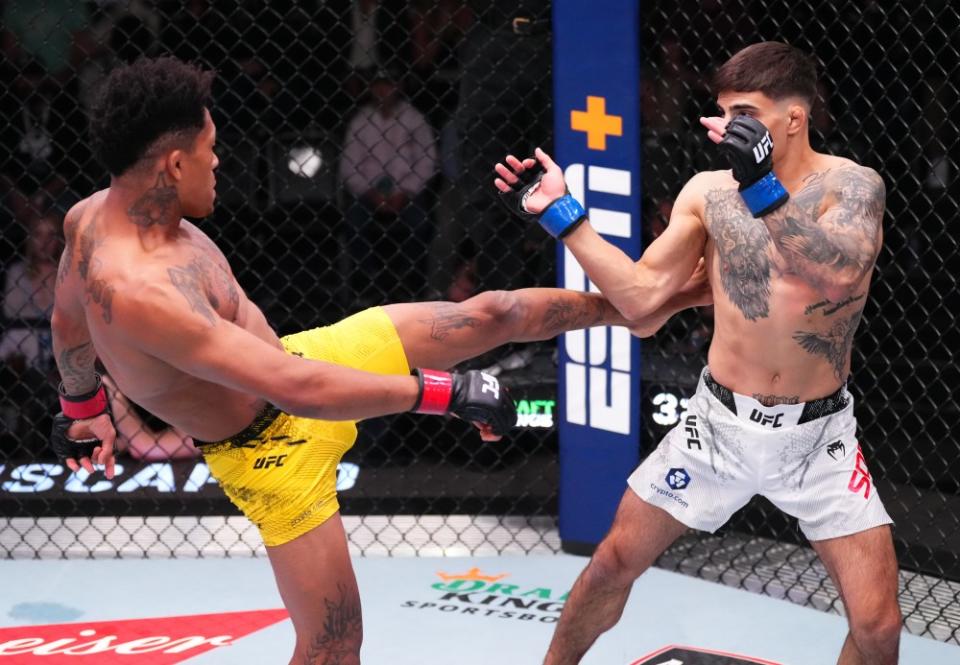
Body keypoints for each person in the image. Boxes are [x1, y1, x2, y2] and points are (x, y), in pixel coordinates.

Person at [49, 57, 709, 664]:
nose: (219, 162)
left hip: (300, 358)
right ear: (171, 165)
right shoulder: (141, 288)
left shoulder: (92, 217)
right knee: (335, 642)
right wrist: (446, 393)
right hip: (270, 453)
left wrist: (83, 408)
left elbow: (65, 320)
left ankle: (644, 305)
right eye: (209, 151)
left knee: (493, 313)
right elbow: (294, 389)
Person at [494, 41, 899, 665]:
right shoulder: (709, 193)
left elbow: (838, 276)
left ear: (794, 117)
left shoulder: (852, 186)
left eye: (747, 113)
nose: (731, 128)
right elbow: (639, 297)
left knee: (876, 625)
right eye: (725, 113)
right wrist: (563, 216)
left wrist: (762, 185)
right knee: (611, 563)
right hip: (716, 424)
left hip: (818, 438)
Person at [339, 66, 438, 303]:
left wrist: (405, 191)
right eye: (378, 85)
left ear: (398, 87)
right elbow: (348, 166)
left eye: (388, 84)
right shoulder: (361, 120)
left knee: (420, 224)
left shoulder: (414, 118)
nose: (383, 90)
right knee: (353, 223)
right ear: (371, 89)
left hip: (407, 191)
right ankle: (369, 281)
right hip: (368, 192)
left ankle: (407, 281)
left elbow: (428, 160)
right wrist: (370, 192)